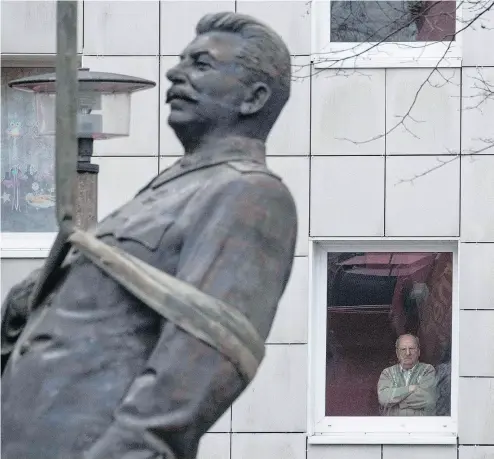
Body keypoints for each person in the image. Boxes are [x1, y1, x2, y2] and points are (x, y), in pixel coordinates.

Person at [1, 12, 297, 459]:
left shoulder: (248, 192)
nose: (174, 72)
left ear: (253, 98)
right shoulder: (171, 189)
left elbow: (203, 357)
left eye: (200, 64)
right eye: (181, 61)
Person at [377, 334, 436, 416]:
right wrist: (409, 389)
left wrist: (397, 402)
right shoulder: (388, 373)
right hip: (393, 426)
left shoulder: (427, 370)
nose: (408, 353)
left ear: (418, 352)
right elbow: (384, 398)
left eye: (411, 348)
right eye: (403, 349)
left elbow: (428, 398)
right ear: (397, 353)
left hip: (420, 426)